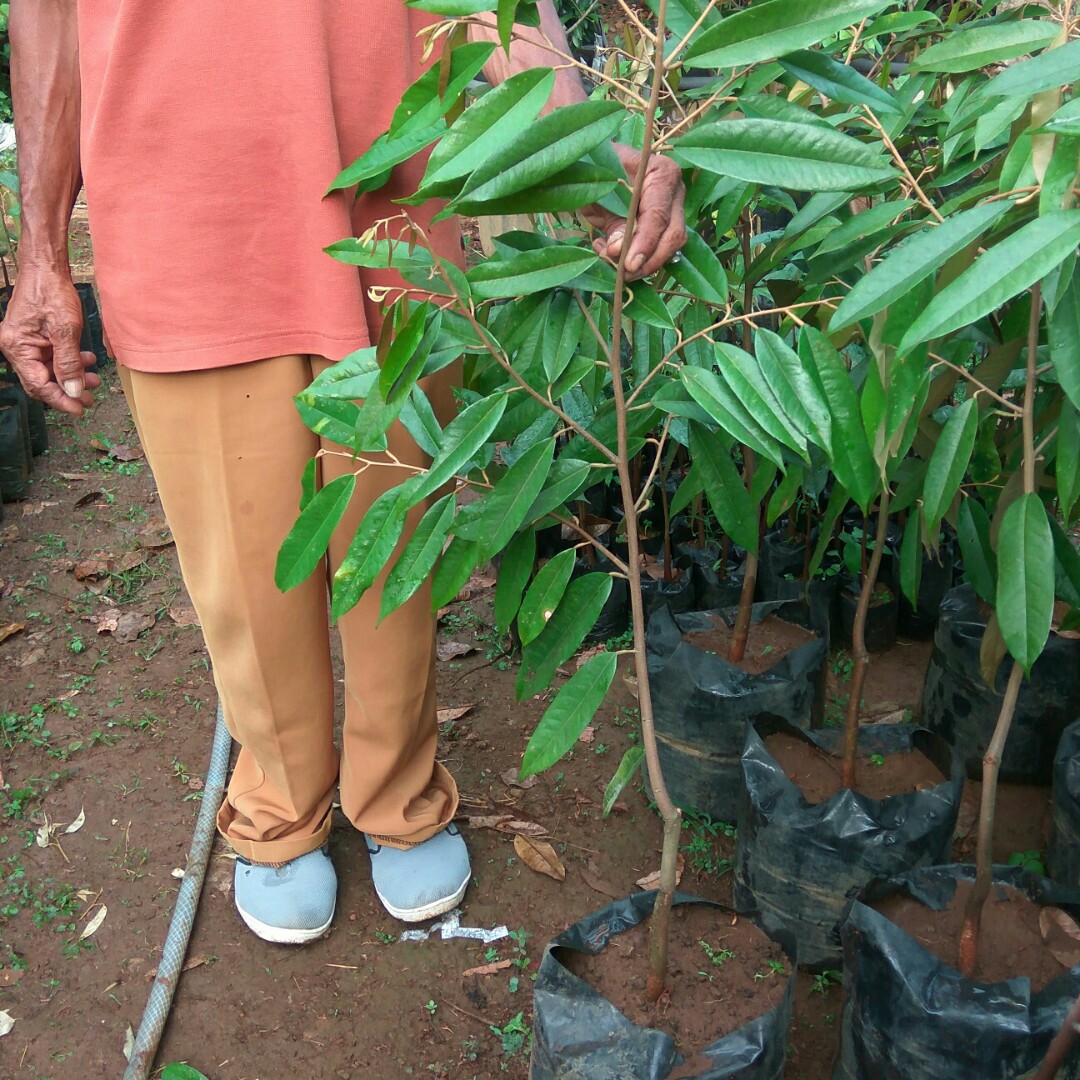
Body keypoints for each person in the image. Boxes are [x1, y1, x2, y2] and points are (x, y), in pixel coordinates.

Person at [2, 0, 686, 945]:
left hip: (394, 197)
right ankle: (279, 805)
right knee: (245, 568)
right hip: (182, 212)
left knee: (395, 539)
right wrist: (39, 246)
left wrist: (579, 132)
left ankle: (399, 788)